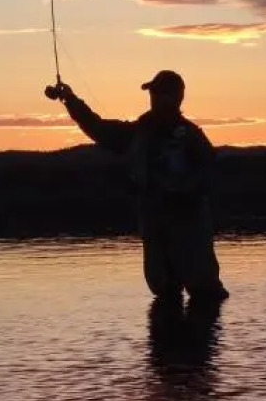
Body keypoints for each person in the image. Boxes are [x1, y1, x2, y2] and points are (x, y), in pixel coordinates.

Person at [45, 69, 229, 306]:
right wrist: (70, 99)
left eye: (158, 93)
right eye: (152, 93)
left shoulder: (192, 137)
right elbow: (99, 129)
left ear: (175, 97)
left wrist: (181, 191)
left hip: (188, 223)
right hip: (154, 218)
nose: (153, 97)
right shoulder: (140, 131)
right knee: (165, 292)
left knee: (205, 292)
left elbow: (210, 175)